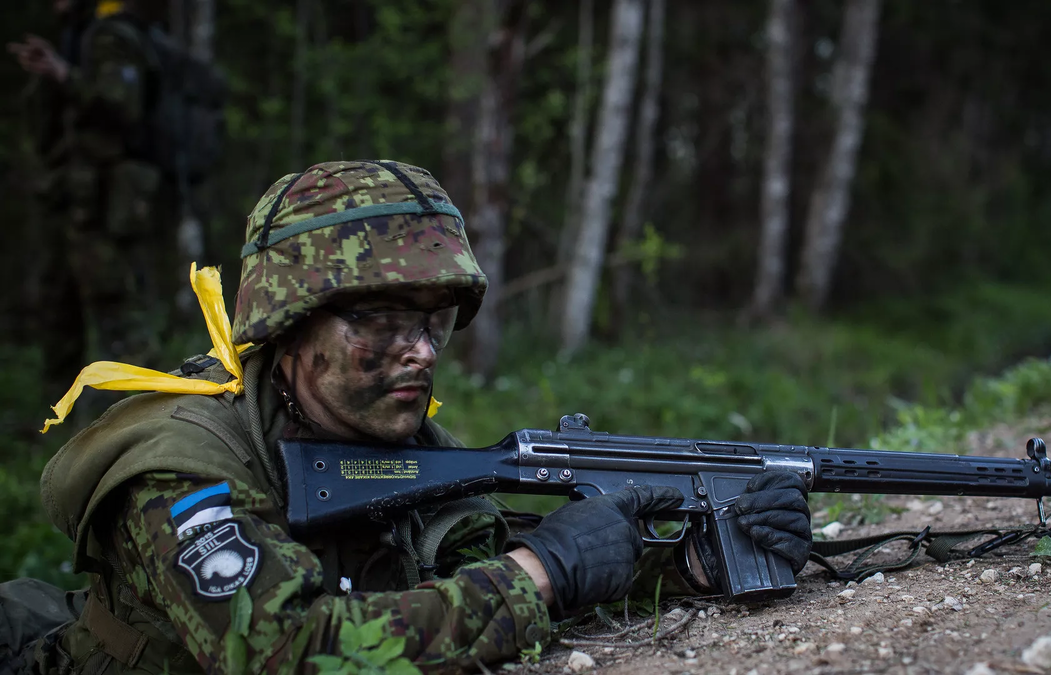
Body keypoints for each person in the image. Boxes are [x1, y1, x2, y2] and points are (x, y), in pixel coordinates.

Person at [27, 160, 812, 673]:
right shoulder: (181, 463)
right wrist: (542, 572)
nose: (420, 352)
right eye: (381, 320)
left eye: (435, 320)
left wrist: (685, 564)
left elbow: (463, 567)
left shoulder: (390, 433)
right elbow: (287, 648)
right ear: (288, 326)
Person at [8, 0, 177, 393]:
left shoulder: (110, 35)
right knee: (57, 308)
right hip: (69, 200)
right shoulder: (77, 34)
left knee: (116, 306)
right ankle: (57, 422)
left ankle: (142, 414)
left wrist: (64, 74)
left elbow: (122, 105)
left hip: (105, 203)